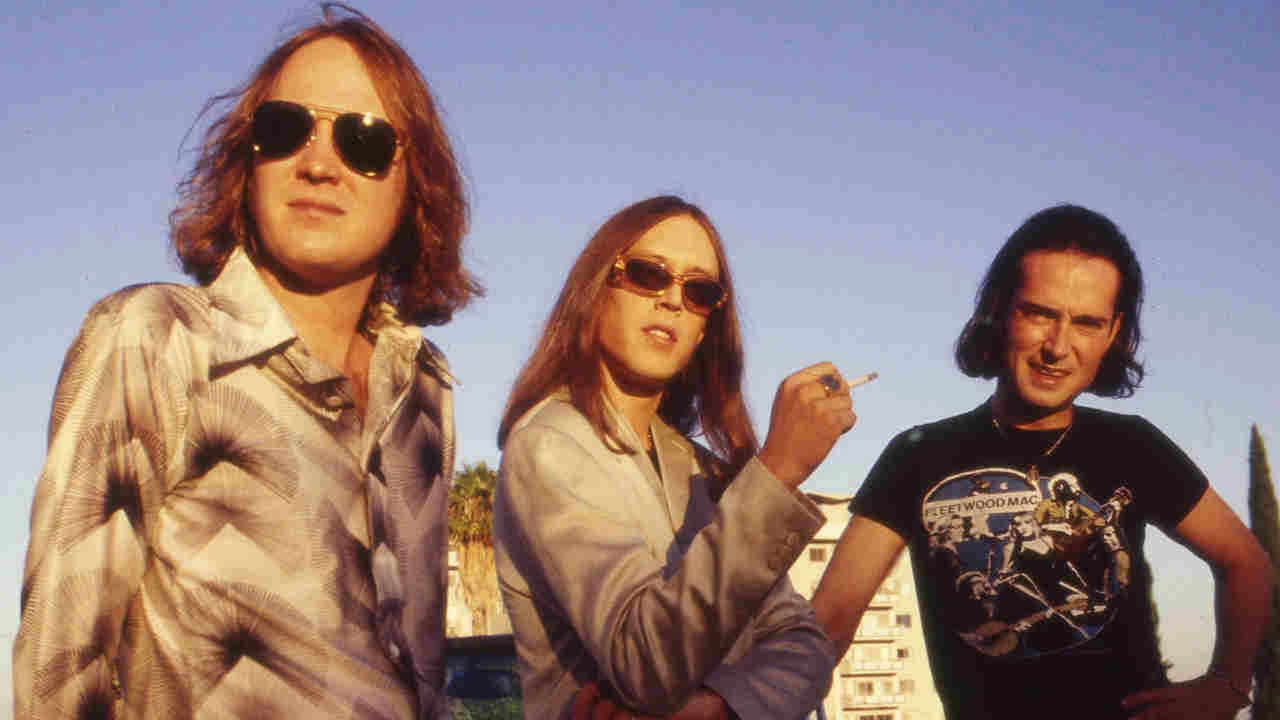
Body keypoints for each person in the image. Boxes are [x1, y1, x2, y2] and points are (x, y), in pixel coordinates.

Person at [13, 6, 479, 718]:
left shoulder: (423, 388)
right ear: (246, 161)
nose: (317, 165)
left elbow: (422, 679)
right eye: (284, 129)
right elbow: (59, 669)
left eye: (364, 140)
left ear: (417, 183)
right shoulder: (155, 338)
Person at [811, 205, 1272, 719]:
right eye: (1039, 314)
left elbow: (1247, 561)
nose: (1058, 347)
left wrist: (1228, 685)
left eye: (1087, 323)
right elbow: (830, 617)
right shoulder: (917, 455)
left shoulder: (1134, 445)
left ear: (1114, 333)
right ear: (999, 308)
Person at [493, 196, 852, 719]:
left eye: (699, 290)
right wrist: (778, 470)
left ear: (706, 327)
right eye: (648, 275)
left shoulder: (701, 470)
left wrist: (719, 707)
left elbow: (806, 645)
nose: (673, 301)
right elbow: (646, 662)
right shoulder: (550, 444)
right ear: (597, 289)